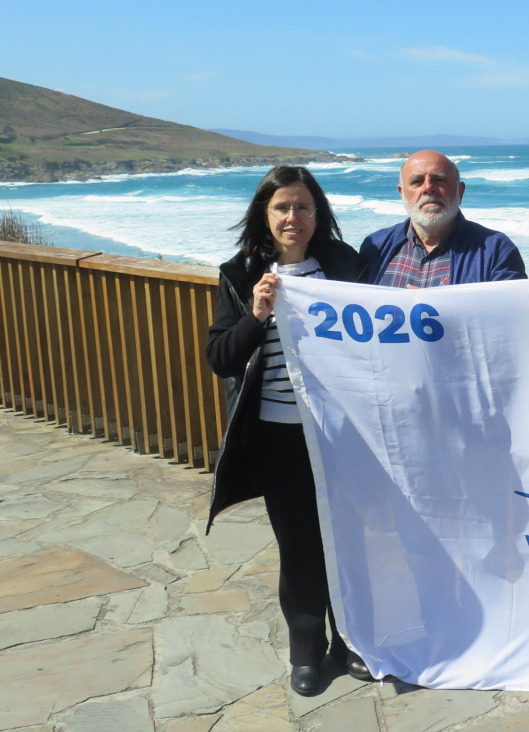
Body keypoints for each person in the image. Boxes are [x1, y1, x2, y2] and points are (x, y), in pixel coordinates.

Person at [205, 166, 373, 696]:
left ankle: (351, 641)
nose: (292, 217)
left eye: (302, 206)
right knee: (297, 543)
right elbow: (220, 359)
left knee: (347, 540)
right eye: (282, 207)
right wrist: (256, 315)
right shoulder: (238, 274)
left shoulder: (347, 266)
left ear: (317, 213)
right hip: (279, 435)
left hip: (342, 434)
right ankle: (306, 649)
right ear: (265, 214)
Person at [361, 150, 526, 287]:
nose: (428, 188)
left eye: (439, 180)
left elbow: (510, 318)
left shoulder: (496, 250)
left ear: (460, 191)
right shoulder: (375, 246)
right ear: (401, 192)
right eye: (417, 182)